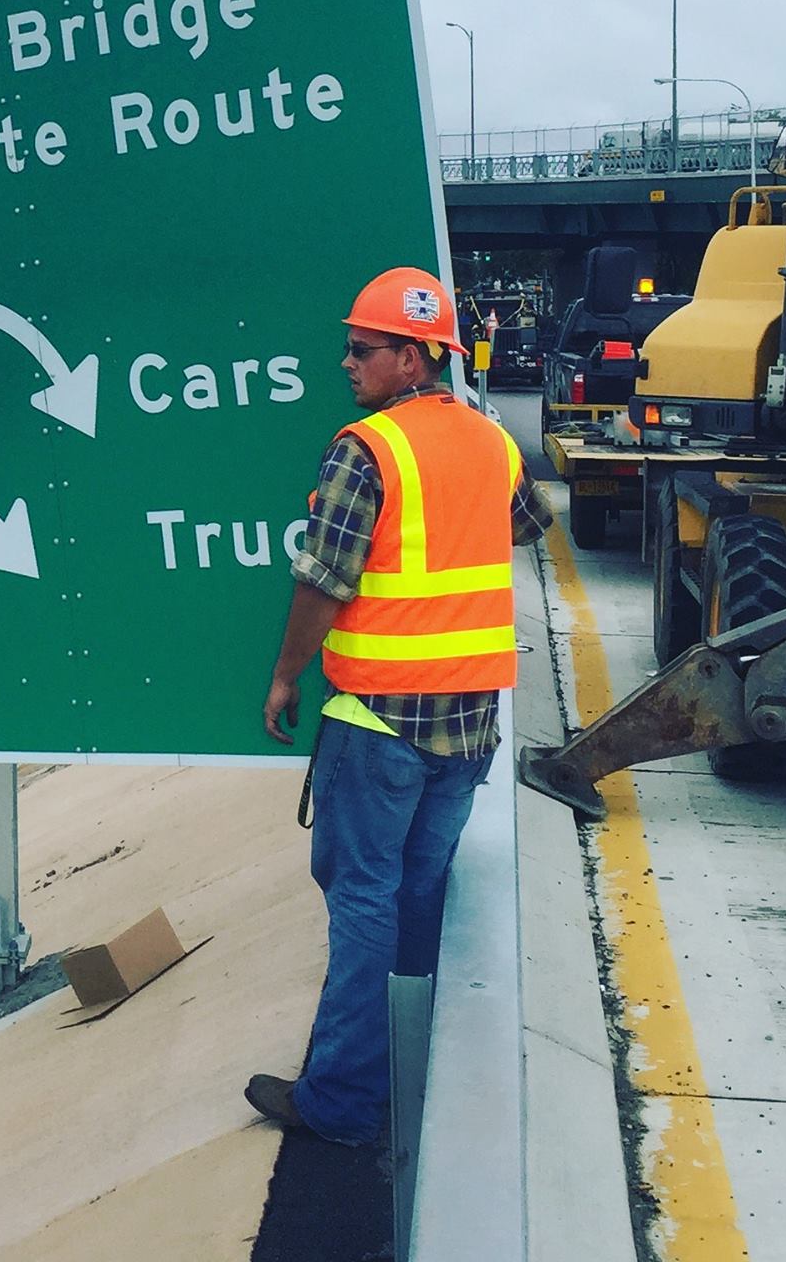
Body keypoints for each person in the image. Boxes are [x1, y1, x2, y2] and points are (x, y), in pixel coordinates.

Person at [245, 266, 549, 1145]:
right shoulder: (490, 441)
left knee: (364, 900)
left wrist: (285, 674)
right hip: (468, 727)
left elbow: (324, 579)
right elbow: (529, 526)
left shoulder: (367, 448)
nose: (347, 361)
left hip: (379, 721)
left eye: (363, 348)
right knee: (416, 897)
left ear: (414, 358)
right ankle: (412, 1080)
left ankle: (342, 1103)